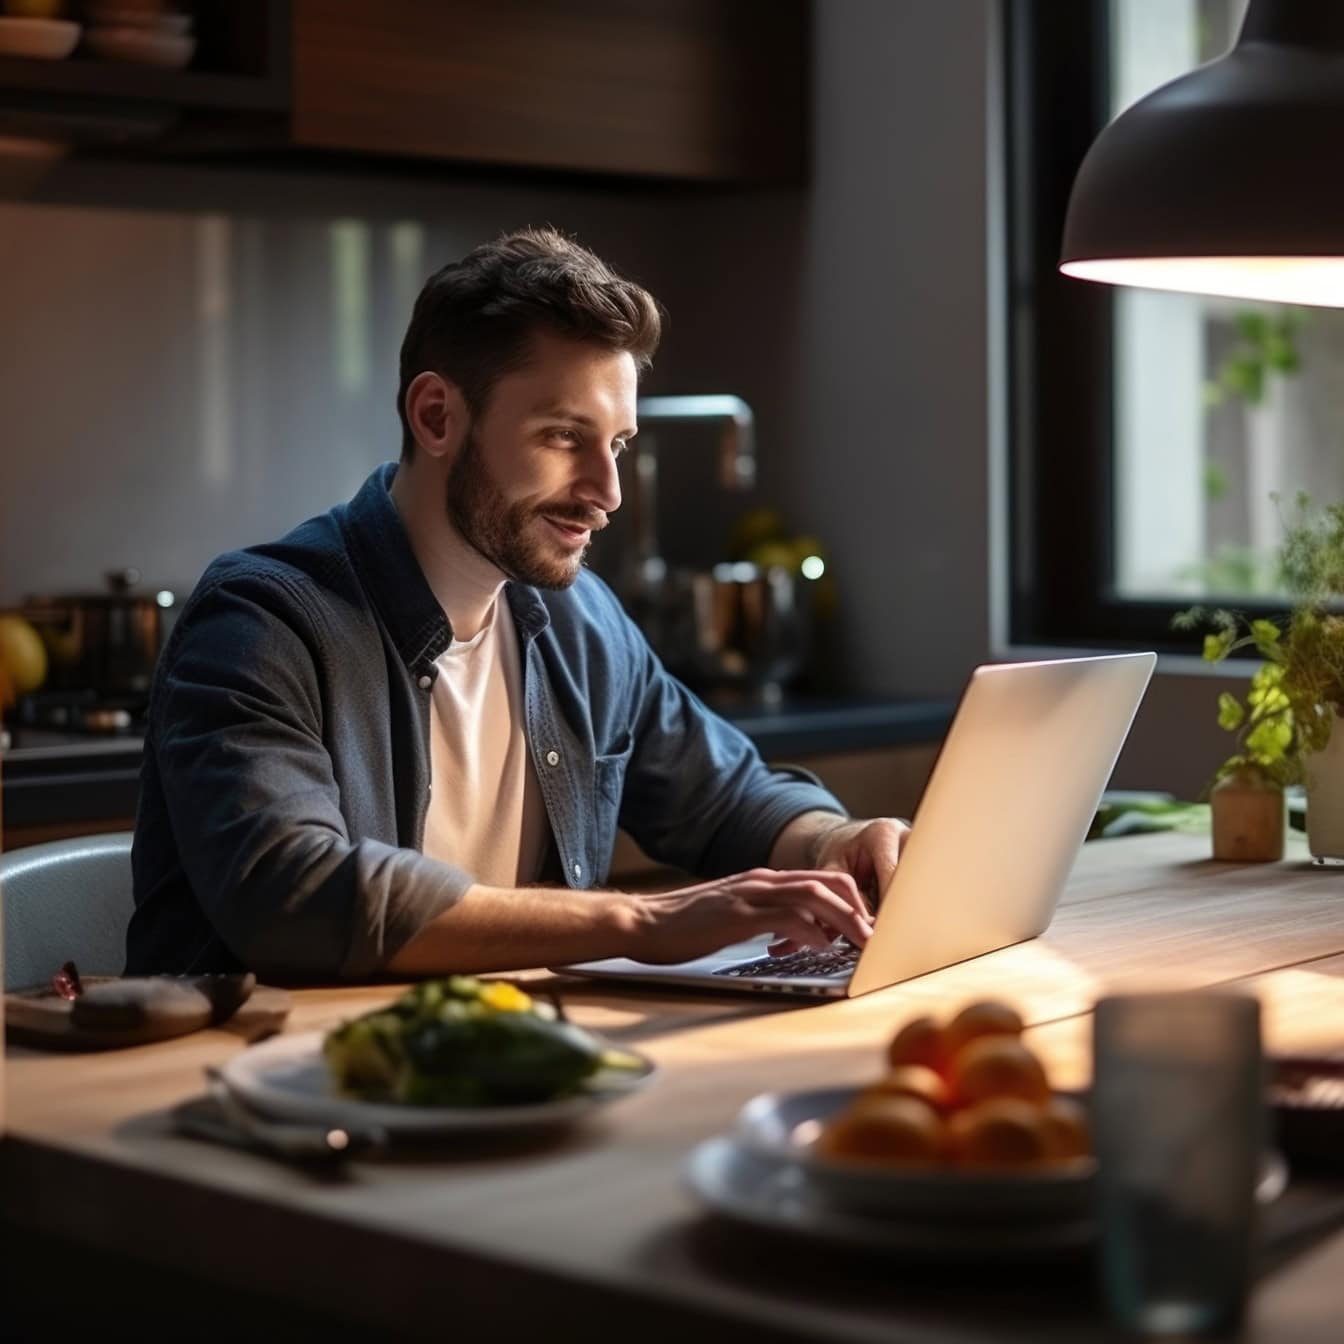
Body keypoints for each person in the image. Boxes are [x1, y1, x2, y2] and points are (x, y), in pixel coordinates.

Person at [126, 227, 908, 983]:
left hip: (493, 1080)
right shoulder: (261, 626)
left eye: (619, 445)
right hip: (250, 1096)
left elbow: (729, 797)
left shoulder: (582, 625)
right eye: (565, 437)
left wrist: (834, 842)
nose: (607, 495)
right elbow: (294, 895)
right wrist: (641, 923)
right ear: (436, 416)